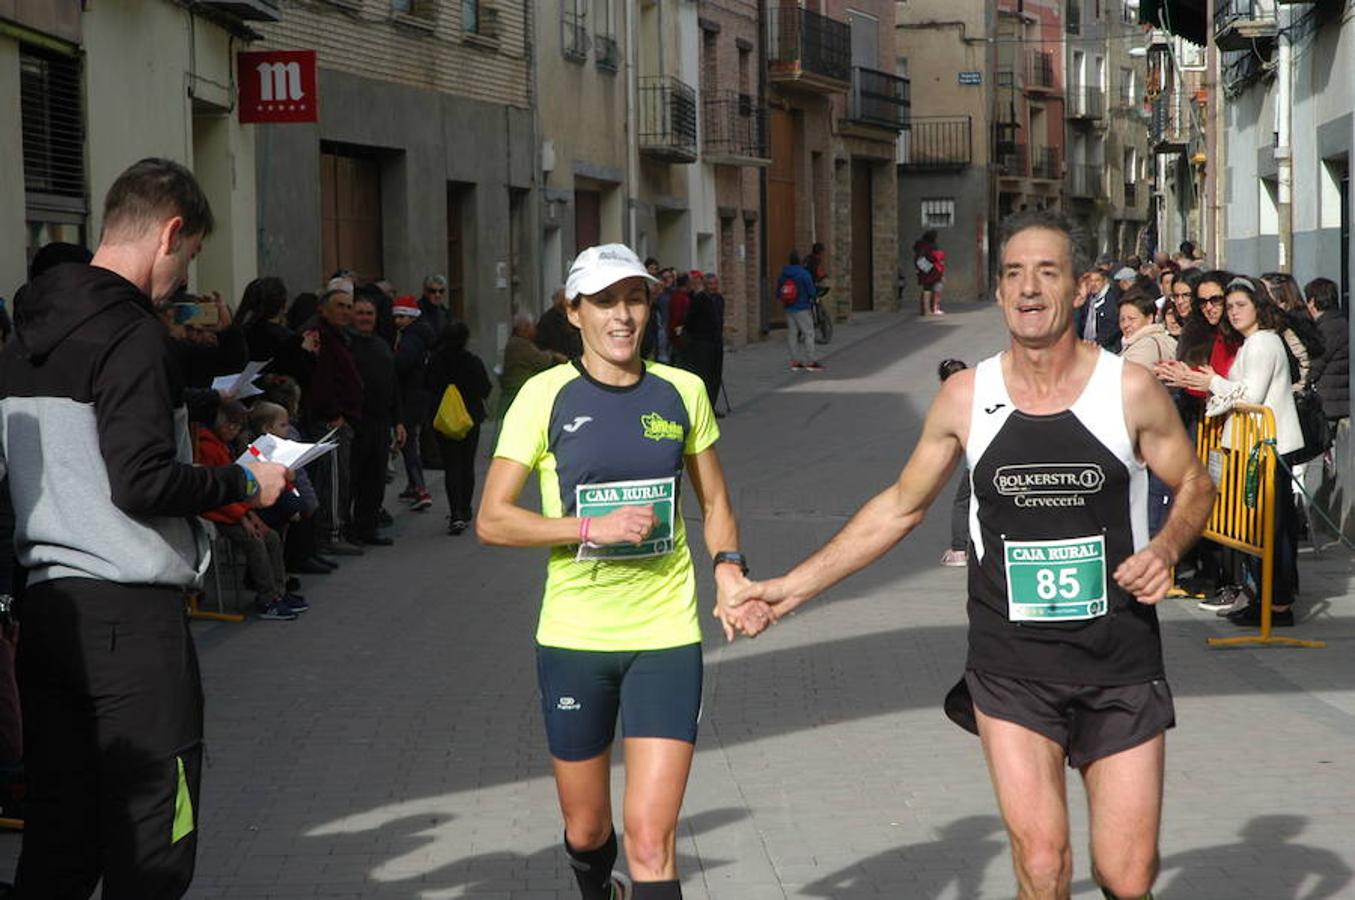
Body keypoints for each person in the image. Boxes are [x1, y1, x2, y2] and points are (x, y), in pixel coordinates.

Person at [731, 209, 1215, 900]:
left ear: (1080, 289)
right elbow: (899, 506)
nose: (1027, 288)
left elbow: (1195, 481)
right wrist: (788, 589)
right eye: (1013, 274)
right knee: (1043, 864)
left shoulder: (1128, 389)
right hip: (1010, 664)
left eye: (1046, 273)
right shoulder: (965, 395)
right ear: (996, 292)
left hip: (1118, 661)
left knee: (1127, 877)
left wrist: (1167, 546)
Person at [0, 157, 287, 897]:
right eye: (189, 255)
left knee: (62, 840)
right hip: (129, 617)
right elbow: (141, 480)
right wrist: (243, 482)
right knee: (157, 832)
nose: (184, 278)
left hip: (49, 609)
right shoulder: (129, 333)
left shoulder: (29, 327)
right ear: (169, 233)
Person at [476, 242, 768, 900]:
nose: (622, 315)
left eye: (634, 298)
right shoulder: (541, 397)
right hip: (574, 637)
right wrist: (588, 527)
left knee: (648, 837)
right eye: (604, 301)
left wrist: (727, 567)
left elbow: (715, 501)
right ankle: (596, 888)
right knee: (586, 830)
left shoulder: (681, 391)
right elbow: (492, 520)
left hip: (665, 635)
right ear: (573, 312)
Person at [1159, 277, 1302, 626]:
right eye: (1232, 306)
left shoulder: (1263, 342)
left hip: (1269, 449)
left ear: (1259, 307)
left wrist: (1211, 383)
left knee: (1271, 531)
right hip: (1255, 448)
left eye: (1241, 305)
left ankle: (1277, 605)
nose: (1234, 312)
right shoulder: (1252, 342)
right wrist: (1202, 381)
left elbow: (1250, 396)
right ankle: (1263, 598)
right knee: (1258, 531)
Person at [196, 402, 303, 620]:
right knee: (254, 541)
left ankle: (278, 592)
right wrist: (243, 517)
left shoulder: (224, 446)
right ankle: (267, 598)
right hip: (217, 513)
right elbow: (218, 492)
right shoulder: (208, 448)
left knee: (270, 537)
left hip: (233, 510)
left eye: (237, 427)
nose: (233, 431)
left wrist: (250, 515)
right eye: (230, 426)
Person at [305, 282, 366, 557]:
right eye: (339, 306)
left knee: (341, 477)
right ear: (324, 309)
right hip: (329, 421)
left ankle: (336, 529)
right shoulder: (320, 335)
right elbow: (321, 379)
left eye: (349, 307)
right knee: (332, 478)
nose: (346, 311)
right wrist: (333, 414)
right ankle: (330, 533)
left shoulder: (341, 336)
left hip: (344, 418)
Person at [348, 295, 405, 546]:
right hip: (356, 422)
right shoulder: (347, 344)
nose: (364, 318)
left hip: (381, 422)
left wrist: (398, 421)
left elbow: (393, 386)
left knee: (375, 479)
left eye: (369, 313)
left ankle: (368, 528)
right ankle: (348, 529)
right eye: (360, 313)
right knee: (354, 478)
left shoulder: (381, 345)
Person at [427, 322, 493, 535]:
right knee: (466, 465)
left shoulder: (435, 361)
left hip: (444, 419)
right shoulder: (472, 362)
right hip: (469, 418)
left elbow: (427, 385)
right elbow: (485, 388)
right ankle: (465, 509)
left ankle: (455, 512)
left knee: (451, 465)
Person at [392, 295, 436, 512]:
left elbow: (401, 364)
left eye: (402, 316)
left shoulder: (411, 338)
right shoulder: (421, 334)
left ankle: (420, 489)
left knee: (408, 444)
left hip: (409, 397)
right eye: (396, 316)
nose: (398, 321)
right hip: (418, 396)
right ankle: (413, 486)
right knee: (411, 442)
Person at [937, 358, 970, 567]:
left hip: (977, 463)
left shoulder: (949, 403)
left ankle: (959, 550)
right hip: (1004, 458)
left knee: (962, 504)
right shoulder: (982, 392)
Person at [1305, 277, 1349, 425]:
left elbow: (1315, 366)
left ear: (1312, 302)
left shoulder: (1326, 329)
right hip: (1340, 400)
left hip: (1328, 403)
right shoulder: (1342, 323)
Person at [502, 313, 564, 416]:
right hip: (519, 387)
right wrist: (554, 355)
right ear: (525, 328)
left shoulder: (517, 343)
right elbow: (541, 361)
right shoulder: (520, 344)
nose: (535, 330)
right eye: (532, 327)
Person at [679, 271, 726, 411]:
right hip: (702, 342)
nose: (713, 287)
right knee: (704, 375)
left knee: (715, 375)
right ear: (705, 285)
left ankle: (712, 406)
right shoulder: (699, 299)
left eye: (715, 284)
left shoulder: (719, 299)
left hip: (716, 341)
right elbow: (690, 320)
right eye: (710, 284)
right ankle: (703, 407)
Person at [778, 251, 821, 371]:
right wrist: (814, 297)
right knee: (809, 333)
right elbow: (811, 291)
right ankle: (811, 361)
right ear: (800, 261)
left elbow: (779, 291)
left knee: (792, 334)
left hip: (788, 308)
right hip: (802, 307)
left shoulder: (784, 274)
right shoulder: (804, 274)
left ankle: (795, 361)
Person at [1077, 267, 1122, 352]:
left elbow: (1112, 327)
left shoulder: (1112, 299)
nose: (1093, 284)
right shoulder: (1087, 298)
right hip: (1086, 344)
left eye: (1097, 280)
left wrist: (1096, 343)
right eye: (1091, 281)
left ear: (1105, 281)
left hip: (1107, 347)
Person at [536, 287, 585, 360]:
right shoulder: (548, 319)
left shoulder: (573, 315)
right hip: (557, 358)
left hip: (575, 356)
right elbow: (541, 343)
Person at [914, 230, 945, 315]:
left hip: (925, 268)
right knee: (928, 289)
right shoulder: (928, 246)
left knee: (927, 288)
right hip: (929, 269)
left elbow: (918, 259)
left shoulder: (920, 245)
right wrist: (931, 270)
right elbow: (931, 257)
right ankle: (927, 310)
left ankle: (925, 309)